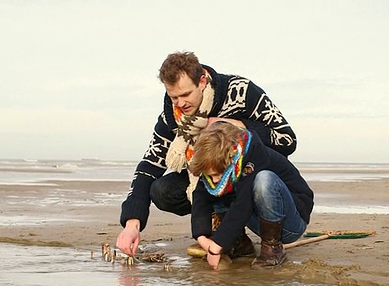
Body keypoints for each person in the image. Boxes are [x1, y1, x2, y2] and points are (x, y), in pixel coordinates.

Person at [116, 51, 297, 257]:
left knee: (238, 178)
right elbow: (148, 168)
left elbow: (287, 140)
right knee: (162, 190)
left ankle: (256, 240)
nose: (180, 103)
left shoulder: (241, 92)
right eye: (173, 97)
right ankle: (232, 237)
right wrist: (132, 223)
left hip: (254, 176)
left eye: (185, 95)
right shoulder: (171, 119)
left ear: (202, 81)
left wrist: (236, 125)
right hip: (211, 180)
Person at [188, 121, 314, 270]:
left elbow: (243, 205)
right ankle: (239, 243)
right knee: (217, 188)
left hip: (290, 223)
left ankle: (272, 249)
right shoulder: (216, 165)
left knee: (263, 179)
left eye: (216, 174)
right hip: (260, 219)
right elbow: (201, 197)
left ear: (230, 157)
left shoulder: (254, 153)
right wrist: (202, 237)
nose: (214, 179)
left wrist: (216, 247)